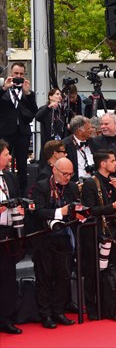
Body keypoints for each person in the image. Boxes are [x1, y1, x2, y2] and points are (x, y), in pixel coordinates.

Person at [80, 150, 116, 320]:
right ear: (103, 163)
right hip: (95, 235)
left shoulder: (113, 182)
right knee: (93, 273)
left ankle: (114, 301)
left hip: (113, 233)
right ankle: (93, 308)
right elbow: (90, 210)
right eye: (113, 161)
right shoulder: (90, 184)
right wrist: (112, 207)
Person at [30, 157, 80, 328]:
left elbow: (76, 208)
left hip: (65, 238)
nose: (67, 177)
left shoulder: (72, 187)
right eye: (64, 174)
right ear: (54, 170)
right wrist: (60, 212)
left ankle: (59, 311)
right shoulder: (42, 186)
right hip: (44, 239)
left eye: (70, 174)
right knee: (44, 278)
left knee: (63, 276)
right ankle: (46, 315)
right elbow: (38, 212)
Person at [0, 62, 38, 191]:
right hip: (5, 132)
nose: (18, 76)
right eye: (16, 73)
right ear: (11, 74)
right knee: (3, 162)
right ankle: (4, 191)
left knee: (22, 165)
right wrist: (4, 88)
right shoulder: (3, 90)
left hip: (23, 132)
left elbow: (35, 111)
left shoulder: (28, 93)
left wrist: (28, 94)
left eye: (21, 74)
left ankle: (22, 195)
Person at [0, 140, 25, 334]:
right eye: (7, 153)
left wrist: (20, 210)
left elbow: (16, 198)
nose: (10, 157)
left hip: (9, 232)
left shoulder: (10, 177)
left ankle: (5, 318)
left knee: (8, 277)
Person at [35, 88, 66, 159]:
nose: (59, 96)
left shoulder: (60, 111)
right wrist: (49, 107)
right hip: (47, 142)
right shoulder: (44, 108)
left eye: (60, 94)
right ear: (50, 97)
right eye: (57, 94)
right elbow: (38, 117)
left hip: (58, 141)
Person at [62, 116, 94, 183]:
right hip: (75, 183)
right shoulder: (65, 145)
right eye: (88, 129)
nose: (92, 130)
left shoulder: (92, 142)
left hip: (92, 182)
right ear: (79, 131)